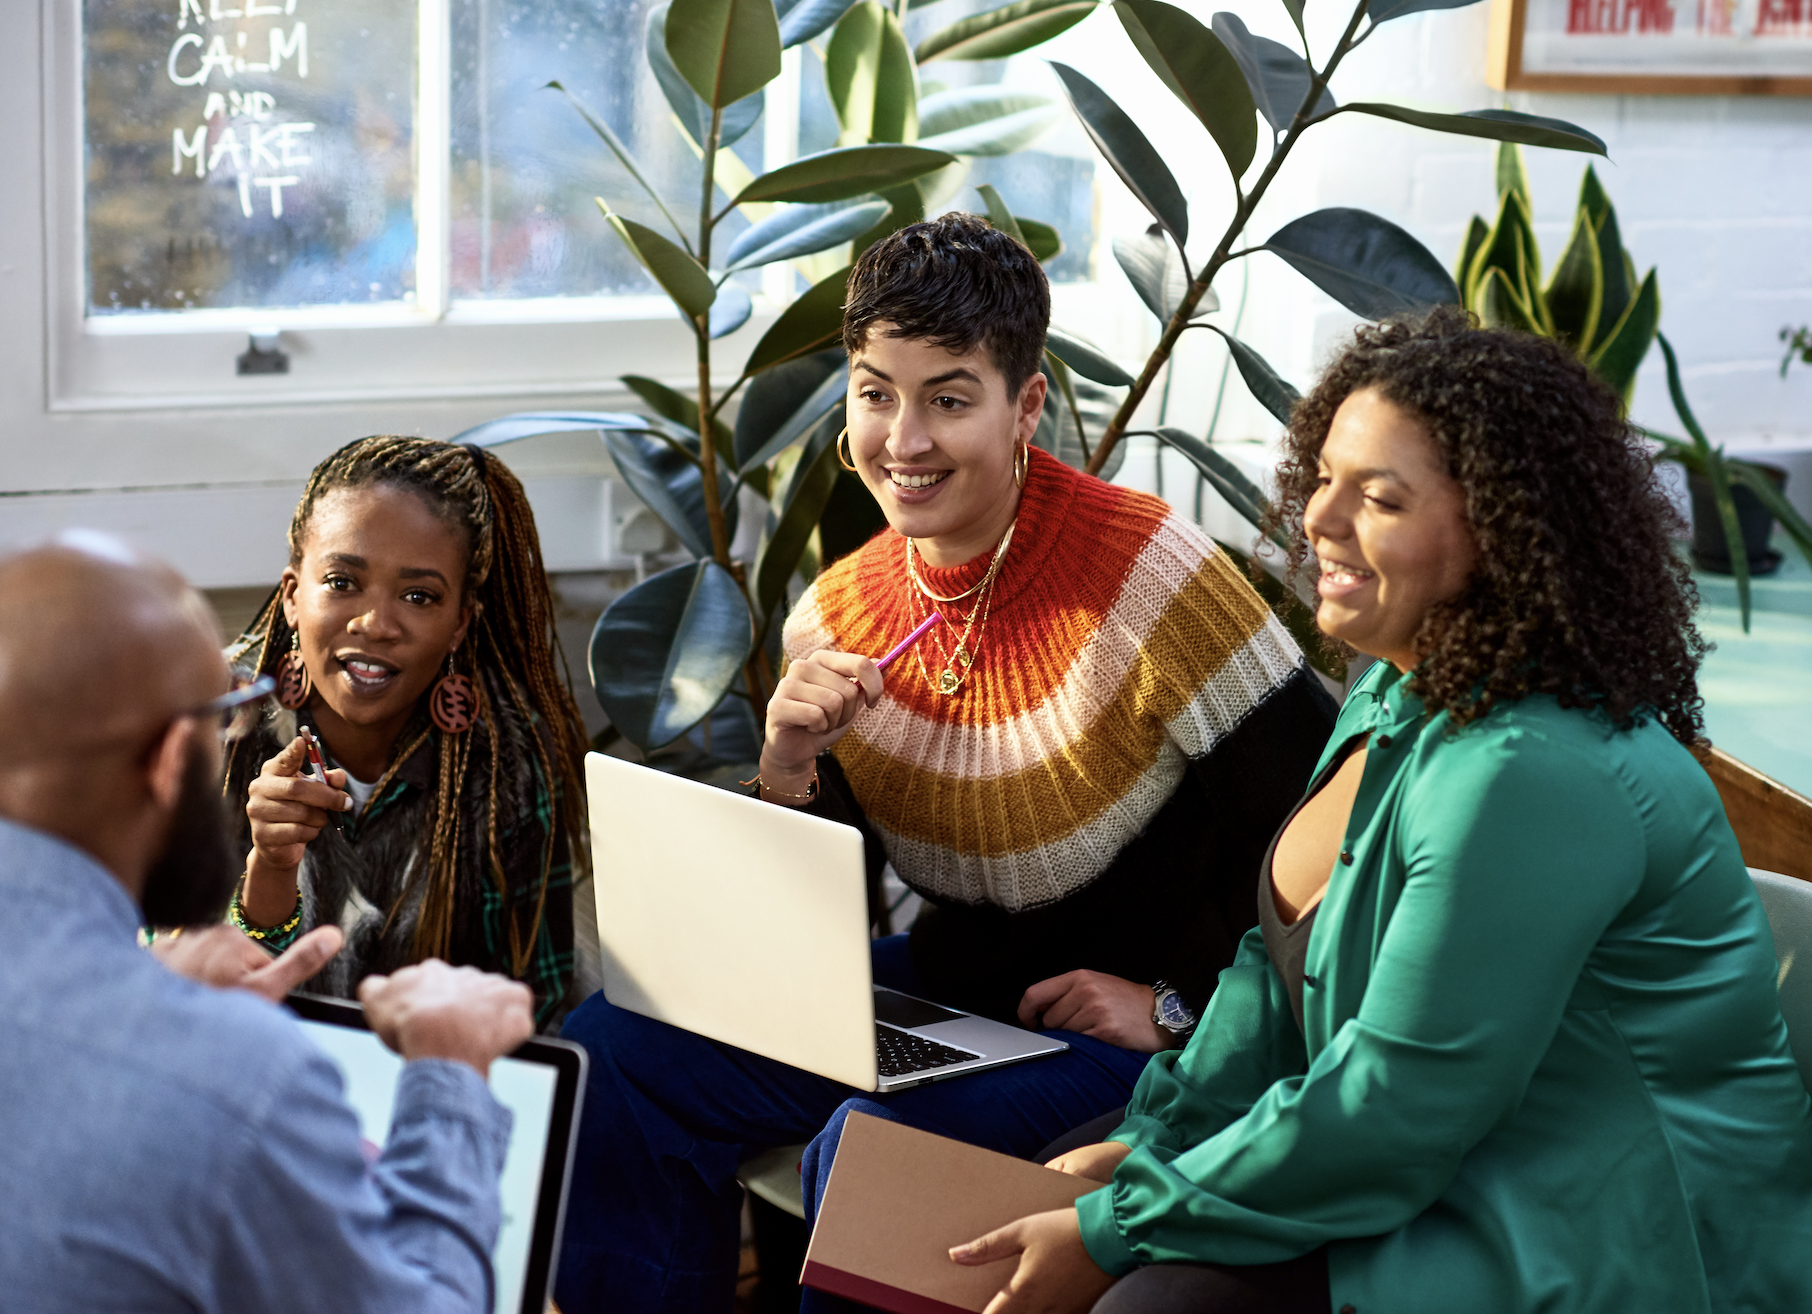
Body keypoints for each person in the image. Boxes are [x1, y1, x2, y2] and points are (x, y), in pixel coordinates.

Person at [940, 309, 1812, 1314]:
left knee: (1143, 1302)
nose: (1317, 519)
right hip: (1441, 1165)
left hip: (1589, 1232)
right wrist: (1157, 1148)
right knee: (1041, 1182)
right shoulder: (1393, 688)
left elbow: (1397, 1107)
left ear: (1502, 531)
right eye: (1323, 477)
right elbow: (1267, 991)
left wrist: (1129, 1223)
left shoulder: (1529, 770)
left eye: (1379, 498)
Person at [556, 212, 1339, 1312]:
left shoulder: (1155, 579)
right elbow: (803, 925)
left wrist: (1180, 1009)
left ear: (1024, 406)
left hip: (1142, 1029)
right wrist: (787, 767)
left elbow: (1339, 845)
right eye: (876, 392)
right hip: (954, 1000)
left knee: (876, 1147)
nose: (903, 439)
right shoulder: (834, 610)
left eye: (948, 398)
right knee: (608, 1055)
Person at [0, 534, 539, 1313]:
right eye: (221, 713)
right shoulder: (244, 1082)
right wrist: (448, 1078)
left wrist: (146, 993)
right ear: (166, 757)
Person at [225, 436, 593, 1028]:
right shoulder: (213, 725)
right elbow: (167, 988)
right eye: (343, 582)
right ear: (294, 596)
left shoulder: (509, 763)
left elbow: (531, 1005)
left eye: (419, 596)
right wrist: (269, 867)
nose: (376, 623)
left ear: (458, 625)